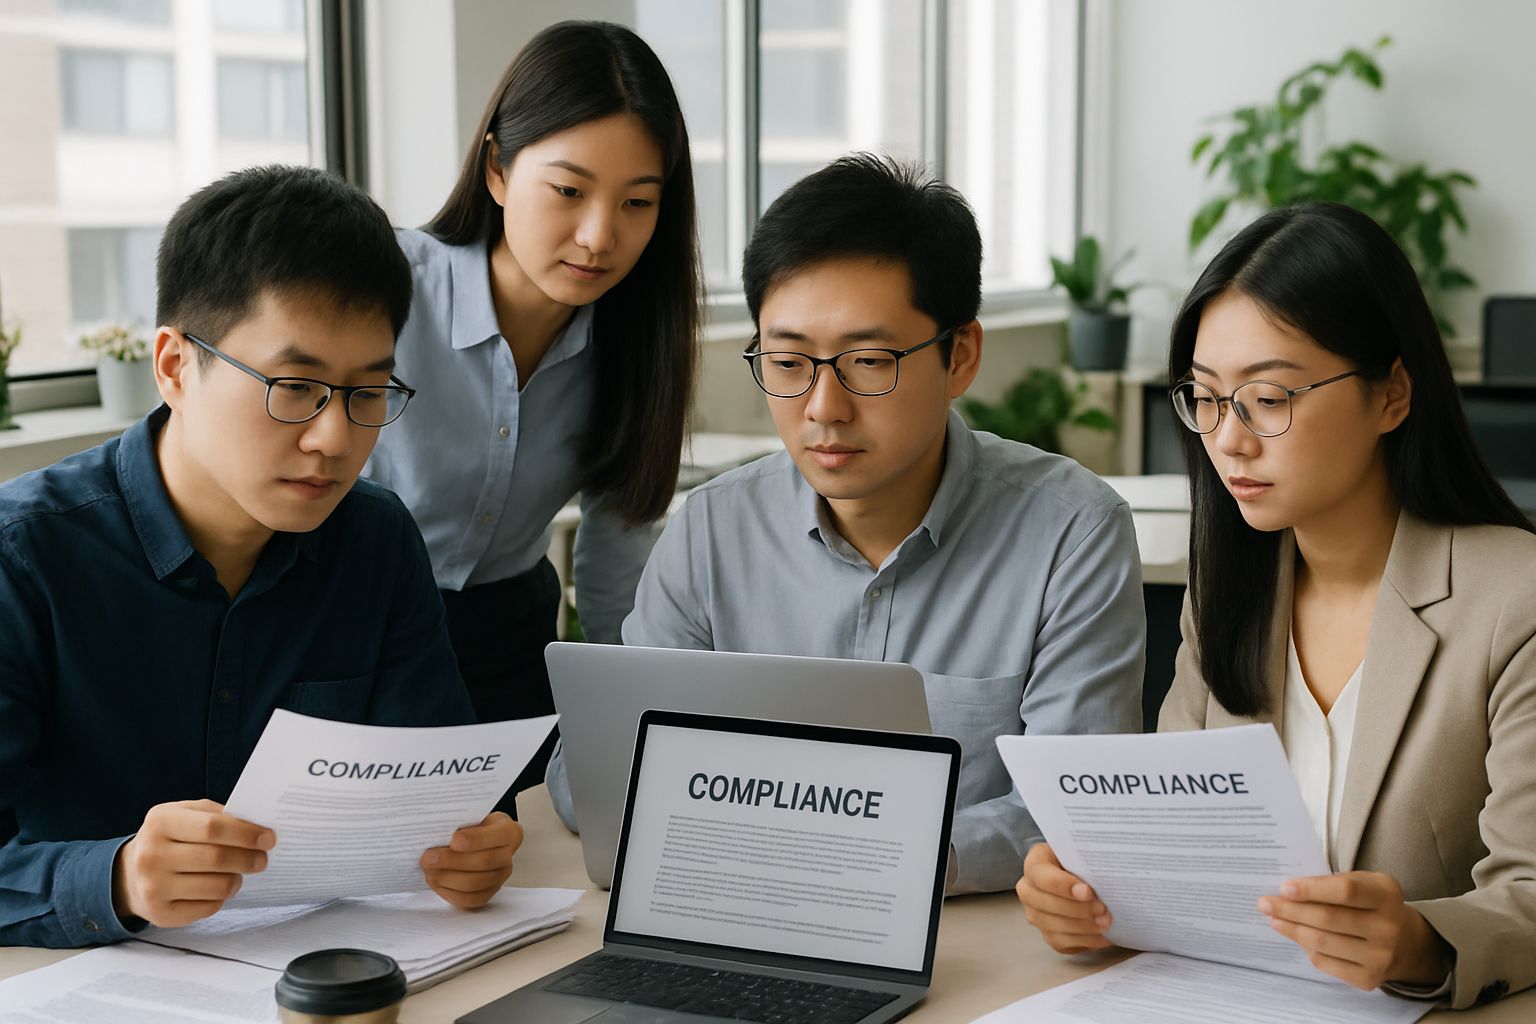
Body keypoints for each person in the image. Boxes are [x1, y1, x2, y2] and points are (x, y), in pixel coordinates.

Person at [548, 154, 1146, 895]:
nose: (824, 408)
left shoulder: (1071, 534)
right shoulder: (711, 532)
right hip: (739, 913)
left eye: (867, 361)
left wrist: (858, 858)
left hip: (969, 937)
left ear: (960, 356)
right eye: (787, 361)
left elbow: (1076, 808)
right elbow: (595, 773)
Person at [1015, 202, 1536, 1009]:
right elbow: (1179, 860)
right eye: (1206, 397)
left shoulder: (1514, 600)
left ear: (1392, 394)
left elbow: (1529, 893)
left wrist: (1422, 941)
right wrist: (1095, 901)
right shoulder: (1230, 592)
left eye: (1267, 397)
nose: (1229, 439)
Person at [0, 166, 522, 949]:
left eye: (367, 393)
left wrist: (471, 847)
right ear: (175, 366)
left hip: (326, 969)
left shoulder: (374, 540)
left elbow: (441, 789)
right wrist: (117, 877)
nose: (333, 439)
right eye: (295, 386)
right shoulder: (24, 557)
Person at [364, 21, 700, 802]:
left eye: (637, 202)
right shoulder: (385, 289)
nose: (599, 236)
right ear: (497, 169)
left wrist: (629, 724)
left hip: (511, 647)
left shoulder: (638, 345)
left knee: (526, 861)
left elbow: (616, 564)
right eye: (569, 191)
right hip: (355, 635)